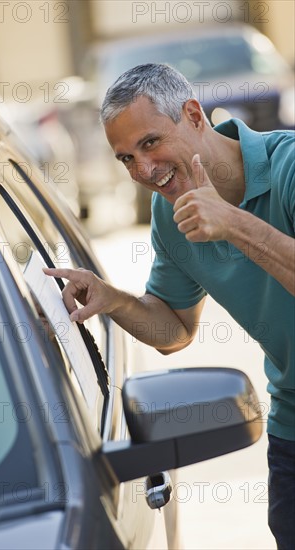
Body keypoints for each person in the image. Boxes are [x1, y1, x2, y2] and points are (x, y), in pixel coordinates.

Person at [44, 63, 295, 548]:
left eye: (151, 142)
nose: (143, 170)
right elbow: (174, 330)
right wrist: (112, 299)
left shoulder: (288, 167)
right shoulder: (169, 212)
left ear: (194, 115)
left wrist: (234, 224)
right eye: (125, 159)